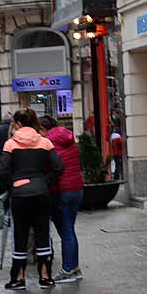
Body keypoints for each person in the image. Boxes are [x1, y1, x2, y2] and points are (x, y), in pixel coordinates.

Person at [0, 109, 64, 290]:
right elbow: (59, 166)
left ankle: (18, 278)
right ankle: (45, 276)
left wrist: (14, 184)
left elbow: (2, 171)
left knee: (20, 235)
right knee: (43, 234)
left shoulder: (10, 144)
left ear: (18, 124)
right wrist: (45, 180)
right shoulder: (45, 142)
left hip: (20, 195)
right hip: (41, 193)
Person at [40, 115, 84, 283]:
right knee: (70, 230)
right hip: (77, 189)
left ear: (44, 129)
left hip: (62, 191)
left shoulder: (49, 142)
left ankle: (67, 270)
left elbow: (49, 166)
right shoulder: (67, 136)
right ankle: (75, 267)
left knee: (66, 231)